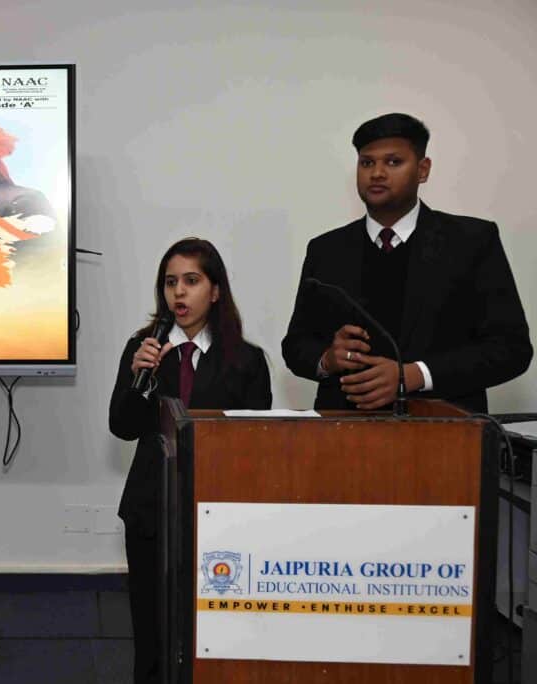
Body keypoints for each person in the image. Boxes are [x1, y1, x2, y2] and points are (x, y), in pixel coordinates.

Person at [282, 113, 532, 412]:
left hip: (445, 430)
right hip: (344, 429)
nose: (377, 173)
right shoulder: (327, 250)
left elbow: (511, 349)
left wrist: (414, 375)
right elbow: (296, 346)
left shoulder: (471, 242)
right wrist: (327, 359)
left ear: (423, 170)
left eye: (393, 162)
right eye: (367, 163)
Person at [109, 237, 272, 683]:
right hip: (150, 508)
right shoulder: (143, 348)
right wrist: (140, 378)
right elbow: (122, 426)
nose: (178, 292)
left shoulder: (247, 360)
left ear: (215, 291)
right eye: (170, 282)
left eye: (191, 281)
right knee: (151, 629)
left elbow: (256, 447)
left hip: (217, 512)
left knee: (211, 627)